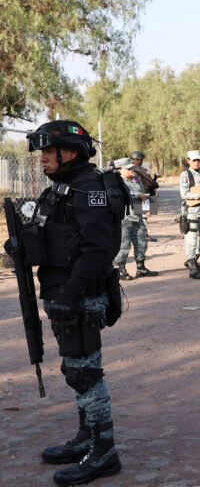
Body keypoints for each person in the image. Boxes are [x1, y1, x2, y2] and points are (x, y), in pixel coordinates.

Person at [24, 120, 122, 484]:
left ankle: (104, 452)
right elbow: (50, 236)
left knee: (85, 372)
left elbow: (98, 249)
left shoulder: (89, 188)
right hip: (62, 293)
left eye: (49, 151)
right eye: (42, 152)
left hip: (81, 296)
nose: (43, 158)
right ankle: (86, 439)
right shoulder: (60, 189)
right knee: (74, 369)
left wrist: (71, 293)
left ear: (71, 152)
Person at [112, 158, 158, 280]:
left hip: (138, 215)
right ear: (119, 170)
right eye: (128, 169)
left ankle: (141, 268)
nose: (131, 170)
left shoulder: (135, 179)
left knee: (142, 242)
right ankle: (121, 270)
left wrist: (147, 208)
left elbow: (143, 194)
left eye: (132, 168)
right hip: (125, 218)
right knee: (124, 245)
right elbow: (121, 195)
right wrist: (138, 195)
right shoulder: (117, 182)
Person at [180, 149, 200, 279]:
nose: (197, 162)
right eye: (194, 160)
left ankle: (192, 260)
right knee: (191, 240)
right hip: (191, 211)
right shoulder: (186, 174)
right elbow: (184, 194)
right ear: (188, 161)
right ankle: (192, 268)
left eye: (198, 160)